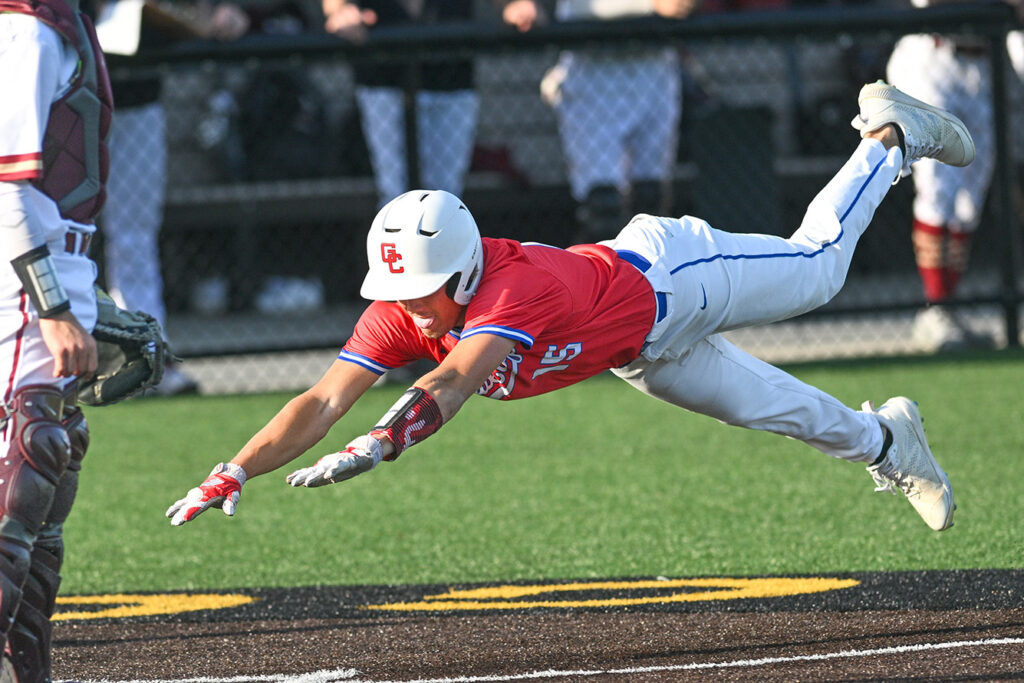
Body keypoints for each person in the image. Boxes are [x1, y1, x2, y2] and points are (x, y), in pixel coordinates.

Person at [167, 82, 970, 536]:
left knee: (819, 269)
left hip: (670, 276)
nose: (406, 308)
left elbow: (450, 385)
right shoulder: (408, 310)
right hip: (636, 349)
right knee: (778, 412)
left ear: (462, 268)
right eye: (396, 292)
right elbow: (319, 400)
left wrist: (380, 444)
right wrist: (235, 467)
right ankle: (890, 440)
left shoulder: (512, 288)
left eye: (419, 289)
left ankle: (892, 133)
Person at [0, 0, 106, 678]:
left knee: (52, 464)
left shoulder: (56, 20)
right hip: (25, 276)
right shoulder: (26, 27)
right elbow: (5, 187)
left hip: (61, 262)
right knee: (27, 458)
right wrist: (54, 306)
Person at [95, 0, 251, 396]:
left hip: (137, 94)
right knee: (51, 235)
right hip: (60, 103)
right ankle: (39, 367)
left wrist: (220, 11)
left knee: (136, 235)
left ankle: (144, 361)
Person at [500, 0, 697, 242]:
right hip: (592, 65)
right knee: (603, 209)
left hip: (654, 62)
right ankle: (599, 278)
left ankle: (651, 279)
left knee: (651, 205)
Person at [883, 0, 1012, 352]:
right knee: (939, 186)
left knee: (972, 192)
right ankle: (936, 308)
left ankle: (946, 307)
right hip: (932, 56)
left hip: (982, 59)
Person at [322, 0, 479, 207]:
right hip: (383, 76)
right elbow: (337, 8)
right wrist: (340, 10)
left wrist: (515, 4)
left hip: (451, 75)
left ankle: (445, 238)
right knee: (395, 196)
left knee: (447, 198)